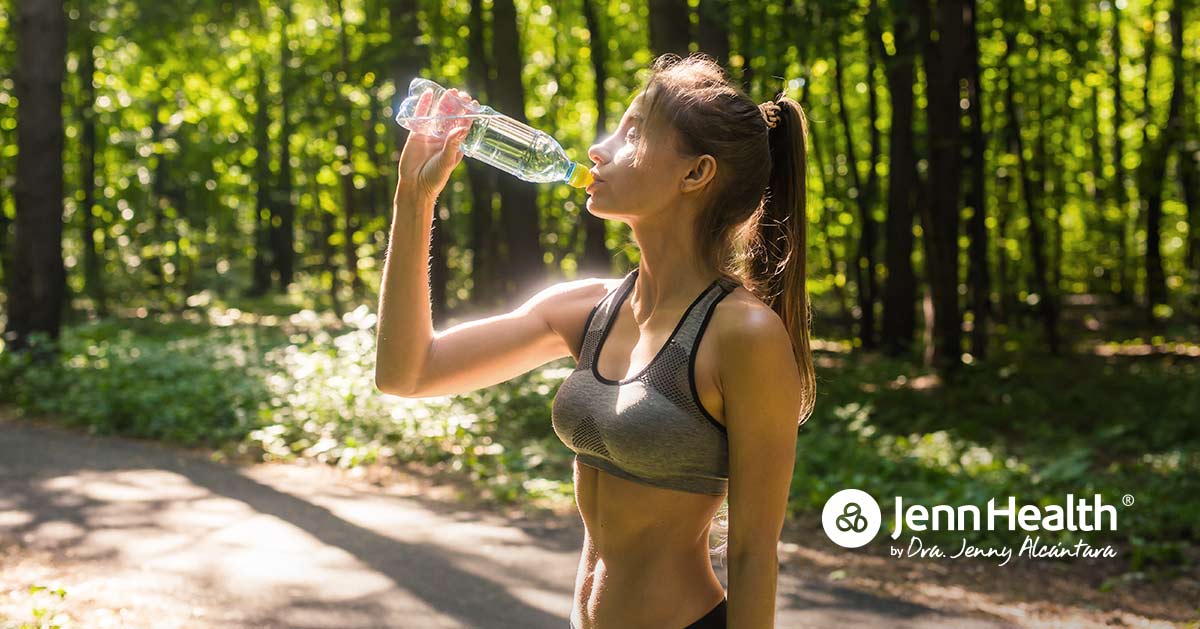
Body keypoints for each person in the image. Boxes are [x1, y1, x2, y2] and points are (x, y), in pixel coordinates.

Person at [376, 52, 816, 629]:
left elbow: (754, 555)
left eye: (633, 133)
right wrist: (414, 198)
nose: (599, 148)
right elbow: (408, 374)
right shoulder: (589, 310)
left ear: (695, 174)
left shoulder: (744, 335)